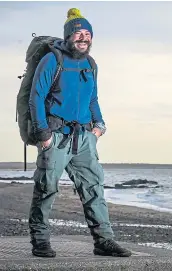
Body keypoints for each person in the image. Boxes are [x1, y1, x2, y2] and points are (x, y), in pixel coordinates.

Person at [28, 8, 132, 258]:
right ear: (68, 36)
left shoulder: (91, 64)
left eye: (87, 34)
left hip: (85, 138)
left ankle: (104, 241)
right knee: (46, 188)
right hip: (56, 135)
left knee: (94, 188)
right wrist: (43, 134)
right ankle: (40, 241)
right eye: (78, 33)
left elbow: (92, 98)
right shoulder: (52, 60)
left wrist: (99, 125)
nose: (83, 38)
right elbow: (36, 97)